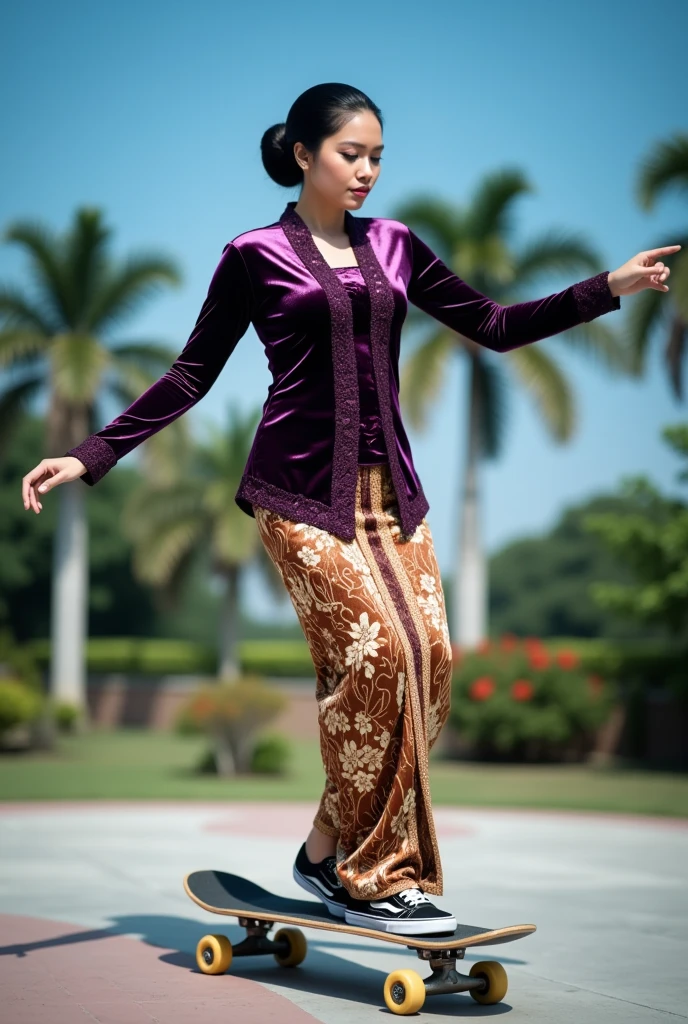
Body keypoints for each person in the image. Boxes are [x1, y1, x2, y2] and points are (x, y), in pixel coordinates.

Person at [22, 83, 679, 937]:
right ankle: (374, 875)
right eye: (350, 154)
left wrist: (607, 287)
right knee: (374, 658)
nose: (367, 171)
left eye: (377, 157)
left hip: (393, 499)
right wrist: (92, 452)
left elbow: (493, 323)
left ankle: (325, 847)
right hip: (297, 496)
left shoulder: (399, 244)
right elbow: (192, 374)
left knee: (430, 667)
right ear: (303, 154)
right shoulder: (253, 254)